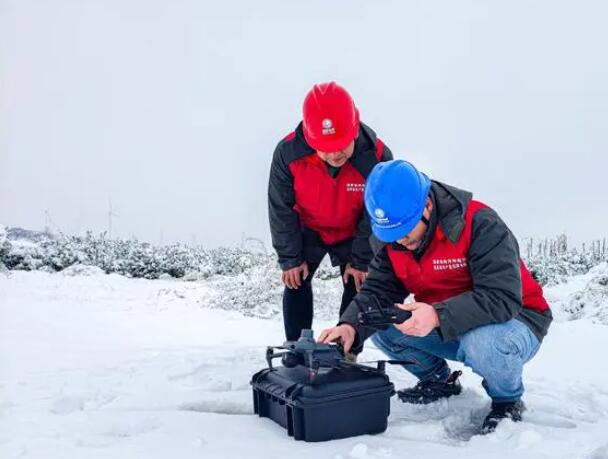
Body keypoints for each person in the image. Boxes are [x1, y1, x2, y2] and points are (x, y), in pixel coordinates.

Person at [319, 159, 552, 433]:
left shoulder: (479, 223)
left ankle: (507, 401)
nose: (399, 241)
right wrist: (350, 326)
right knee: (380, 323)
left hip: (516, 321)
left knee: (483, 342)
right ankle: (440, 381)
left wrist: (437, 314)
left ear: (427, 206)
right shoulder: (393, 239)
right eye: (391, 234)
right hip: (447, 322)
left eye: (405, 231)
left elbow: (503, 298)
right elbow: (378, 291)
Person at [268, 82, 393, 342]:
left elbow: (376, 214)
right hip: (308, 228)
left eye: (341, 144)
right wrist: (290, 258)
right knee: (296, 279)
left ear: (354, 129)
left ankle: (346, 351)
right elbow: (281, 208)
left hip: (354, 230)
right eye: (326, 146)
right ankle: (297, 348)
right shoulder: (287, 154)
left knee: (358, 281)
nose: (335, 153)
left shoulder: (377, 157)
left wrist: (361, 259)